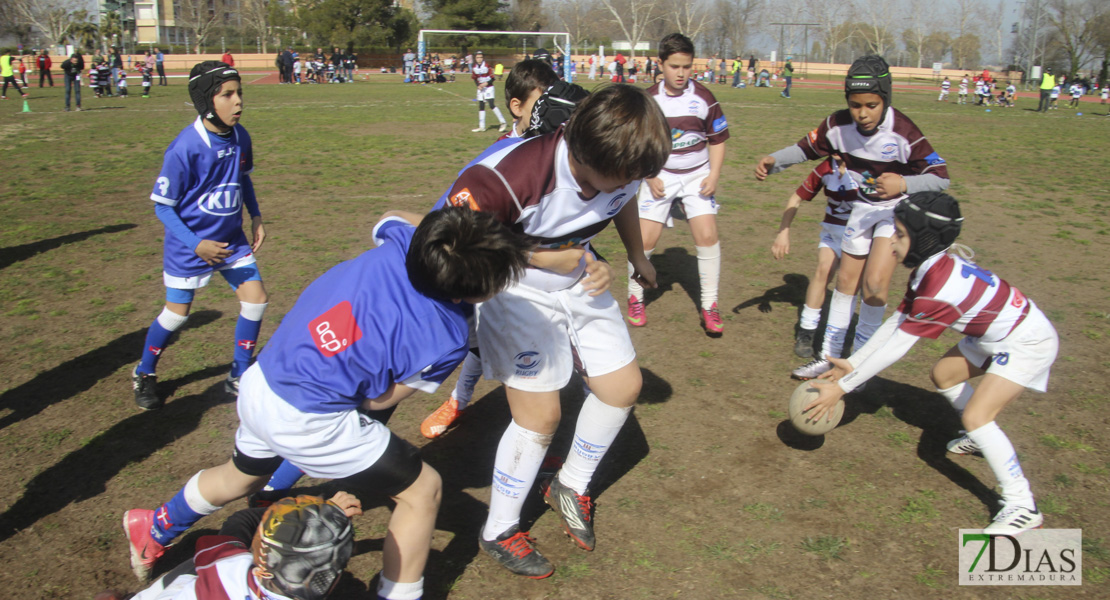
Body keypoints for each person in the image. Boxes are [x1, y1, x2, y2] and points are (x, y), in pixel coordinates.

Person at [122, 208, 530, 600]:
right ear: (474, 293)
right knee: (422, 492)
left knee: (240, 476)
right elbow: (377, 400)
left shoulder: (400, 240)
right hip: (310, 420)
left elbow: (393, 214)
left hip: (264, 382)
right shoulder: (448, 336)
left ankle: (154, 528)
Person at [441, 84, 668, 578]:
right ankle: (498, 529)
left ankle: (570, 483)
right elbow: (453, 237)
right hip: (512, 285)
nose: (631, 183)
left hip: (579, 277)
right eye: (623, 176)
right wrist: (545, 257)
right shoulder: (506, 176)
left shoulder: (621, 165)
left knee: (622, 386)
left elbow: (622, 198)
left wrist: (634, 255)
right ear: (584, 154)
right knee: (539, 417)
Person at [806, 192, 1057, 535]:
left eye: (899, 234)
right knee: (944, 375)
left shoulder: (940, 285)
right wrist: (853, 363)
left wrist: (843, 388)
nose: (891, 242)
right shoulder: (930, 268)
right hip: (997, 334)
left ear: (923, 238)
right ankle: (980, 438)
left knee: (977, 416)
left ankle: (1022, 504)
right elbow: (898, 322)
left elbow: (900, 346)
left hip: (1028, 342)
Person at [755, 54, 950, 380]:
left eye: (871, 105)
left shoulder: (903, 131)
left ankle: (861, 363)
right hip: (859, 212)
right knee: (845, 283)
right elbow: (805, 149)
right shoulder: (836, 125)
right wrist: (775, 161)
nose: (862, 113)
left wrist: (903, 183)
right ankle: (829, 358)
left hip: (892, 213)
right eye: (855, 104)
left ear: (885, 99)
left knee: (874, 283)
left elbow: (940, 176)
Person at [419, 61, 587, 441]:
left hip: (550, 278)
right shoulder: (500, 158)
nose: (555, 116)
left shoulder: (567, 155)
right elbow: (451, 224)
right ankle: (458, 401)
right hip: (497, 273)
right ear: (517, 107)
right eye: (542, 104)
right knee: (463, 341)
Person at [130, 61, 267, 410]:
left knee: (256, 301)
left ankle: (238, 374)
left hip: (231, 239)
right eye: (228, 95)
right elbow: (163, 207)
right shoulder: (184, 148)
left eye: (240, 93)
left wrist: (256, 215)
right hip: (190, 247)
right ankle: (145, 371)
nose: (238, 102)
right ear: (207, 101)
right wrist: (196, 244)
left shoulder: (241, 136)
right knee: (177, 315)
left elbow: (243, 177)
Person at [627, 33, 729, 335]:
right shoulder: (649, 100)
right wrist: (649, 175)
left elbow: (718, 140)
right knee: (644, 242)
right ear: (660, 65)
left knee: (708, 235)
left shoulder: (705, 98)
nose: (681, 73)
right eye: (674, 66)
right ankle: (635, 298)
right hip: (661, 175)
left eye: (687, 66)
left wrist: (713, 176)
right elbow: (636, 143)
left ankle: (710, 305)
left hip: (697, 174)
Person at [125, 493, 360, 600]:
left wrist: (320, 513)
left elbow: (241, 521)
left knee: (197, 566)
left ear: (263, 568)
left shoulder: (227, 566)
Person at [772, 156, 857, 358]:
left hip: (861, 232)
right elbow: (796, 198)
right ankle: (806, 332)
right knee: (823, 271)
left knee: (849, 283)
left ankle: (839, 337)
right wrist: (783, 232)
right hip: (833, 230)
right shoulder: (825, 169)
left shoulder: (868, 165)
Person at [471, 50, 508, 133]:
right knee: (481, 106)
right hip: (481, 89)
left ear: (483, 58)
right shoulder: (474, 67)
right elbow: (475, 78)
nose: (479, 59)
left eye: (480, 57)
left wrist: (485, 84)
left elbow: (493, 78)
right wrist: (478, 86)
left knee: (491, 104)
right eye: (477, 57)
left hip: (489, 88)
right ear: (475, 58)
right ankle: (482, 127)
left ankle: (503, 122)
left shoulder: (487, 66)